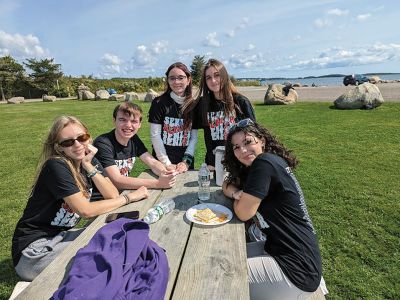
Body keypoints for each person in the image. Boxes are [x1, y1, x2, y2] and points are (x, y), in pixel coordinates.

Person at [12, 116, 149, 281]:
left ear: (88, 138)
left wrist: (88, 166)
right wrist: (130, 197)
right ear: (59, 147)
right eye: (68, 142)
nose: (77, 145)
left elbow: (112, 194)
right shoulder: (56, 165)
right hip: (34, 252)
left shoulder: (88, 160)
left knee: (120, 237)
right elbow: (86, 210)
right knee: (106, 261)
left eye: (82, 138)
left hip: (59, 238)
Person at [222, 119, 323, 300]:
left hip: (296, 272)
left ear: (262, 140)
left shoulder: (264, 163)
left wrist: (241, 200)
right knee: (224, 253)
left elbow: (243, 213)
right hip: (281, 250)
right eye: (236, 147)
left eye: (247, 142)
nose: (243, 150)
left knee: (220, 274)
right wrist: (237, 194)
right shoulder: (259, 166)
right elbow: (226, 184)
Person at [94, 102, 176, 190]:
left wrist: (165, 172)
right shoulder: (103, 143)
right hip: (99, 197)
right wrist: (158, 183)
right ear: (114, 121)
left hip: (119, 193)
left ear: (139, 124)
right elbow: (116, 181)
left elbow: (152, 162)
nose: (128, 125)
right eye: (122, 120)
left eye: (134, 121)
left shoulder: (133, 139)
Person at [195, 58, 256, 170]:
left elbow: (254, 136)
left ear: (224, 76)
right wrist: (212, 162)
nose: (213, 81)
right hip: (215, 163)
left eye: (217, 75)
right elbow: (208, 136)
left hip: (240, 162)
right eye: (208, 78)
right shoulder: (203, 104)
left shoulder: (241, 102)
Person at [148, 62, 198, 173]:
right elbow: (155, 135)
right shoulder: (159, 103)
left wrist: (186, 162)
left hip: (185, 164)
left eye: (181, 78)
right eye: (172, 78)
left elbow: (193, 138)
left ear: (188, 80)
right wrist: (166, 163)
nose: (176, 82)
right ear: (168, 80)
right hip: (162, 163)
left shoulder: (193, 105)